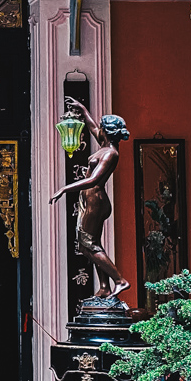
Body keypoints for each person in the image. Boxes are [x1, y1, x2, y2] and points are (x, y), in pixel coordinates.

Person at [50, 98, 131, 300]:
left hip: (96, 202)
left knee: (89, 245)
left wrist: (64, 189)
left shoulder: (111, 154)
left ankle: (120, 280)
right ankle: (104, 286)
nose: (98, 129)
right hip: (89, 201)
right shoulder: (105, 144)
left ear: (107, 131)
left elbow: (94, 180)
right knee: (88, 245)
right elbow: (93, 127)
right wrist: (83, 110)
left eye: (102, 127)